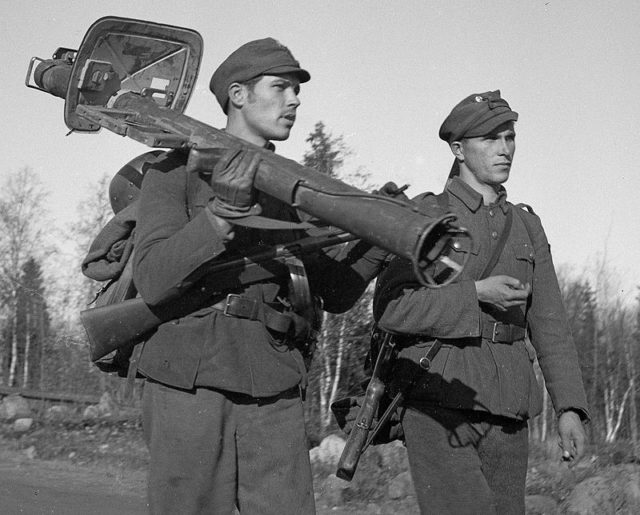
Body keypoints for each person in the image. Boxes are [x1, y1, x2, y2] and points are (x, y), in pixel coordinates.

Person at [132, 38, 386, 514]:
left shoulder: (297, 188)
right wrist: (220, 215)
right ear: (238, 94)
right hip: (190, 381)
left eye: (296, 90)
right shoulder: (173, 171)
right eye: (281, 87)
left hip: (272, 384)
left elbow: (332, 292)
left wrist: (380, 238)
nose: (294, 100)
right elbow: (152, 278)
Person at [372, 90, 589, 514]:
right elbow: (393, 307)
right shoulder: (424, 215)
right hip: (439, 402)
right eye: (490, 139)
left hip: (508, 409)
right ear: (458, 149)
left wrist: (570, 407)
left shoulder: (526, 225)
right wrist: (474, 294)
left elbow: (550, 324)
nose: (505, 149)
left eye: (509, 137)